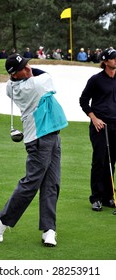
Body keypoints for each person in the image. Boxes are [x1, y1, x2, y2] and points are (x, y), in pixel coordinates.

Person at [0, 53, 68, 246]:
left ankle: (49, 229)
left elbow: (29, 73)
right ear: (15, 75)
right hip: (39, 139)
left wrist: (21, 69)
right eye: (23, 68)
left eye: (28, 65)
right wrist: (29, 72)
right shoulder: (35, 85)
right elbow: (47, 75)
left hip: (52, 134)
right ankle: (2, 219)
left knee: (52, 184)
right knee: (31, 184)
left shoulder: (11, 86)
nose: (29, 69)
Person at [79, 47, 116, 211]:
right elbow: (84, 100)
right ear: (106, 61)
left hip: (115, 125)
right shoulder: (96, 79)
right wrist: (94, 118)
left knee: (112, 161)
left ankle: (109, 196)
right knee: (99, 161)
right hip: (100, 126)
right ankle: (96, 197)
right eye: (113, 58)